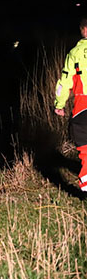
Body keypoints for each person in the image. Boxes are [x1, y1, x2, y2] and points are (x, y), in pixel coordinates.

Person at [54, 17, 87, 191]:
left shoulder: (74, 53)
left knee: (85, 147)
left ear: (83, 30)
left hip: (83, 105)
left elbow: (64, 83)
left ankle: (86, 181)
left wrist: (59, 105)